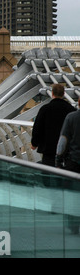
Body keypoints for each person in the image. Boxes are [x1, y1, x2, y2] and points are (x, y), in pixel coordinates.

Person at [31, 84, 76, 166]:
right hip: (66, 150)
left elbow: (38, 127)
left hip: (48, 149)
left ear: (52, 93)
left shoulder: (45, 109)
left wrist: (34, 143)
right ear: (63, 94)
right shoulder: (71, 110)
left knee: (47, 173)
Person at [55, 98, 80, 234]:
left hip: (73, 162)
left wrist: (58, 161)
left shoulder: (71, 117)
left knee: (72, 195)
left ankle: (74, 224)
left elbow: (63, 140)